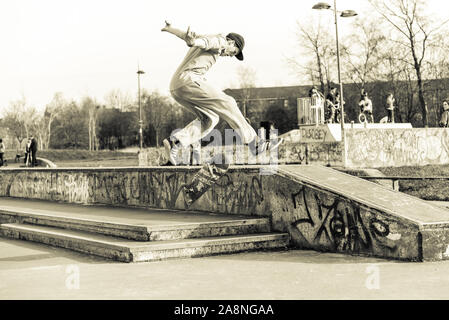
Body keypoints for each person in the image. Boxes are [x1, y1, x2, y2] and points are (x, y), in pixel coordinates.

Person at [160, 20, 282, 165]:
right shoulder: (222, 41)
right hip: (189, 80)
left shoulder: (211, 38)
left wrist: (171, 29)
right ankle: (254, 144)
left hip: (176, 86)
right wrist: (193, 42)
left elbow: (195, 39)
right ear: (232, 43)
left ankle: (175, 142)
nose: (230, 56)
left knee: (210, 118)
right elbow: (205, 42)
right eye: (234, 52)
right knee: (228, 102)